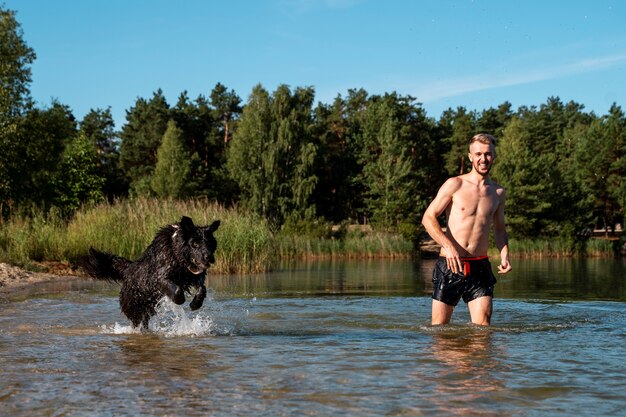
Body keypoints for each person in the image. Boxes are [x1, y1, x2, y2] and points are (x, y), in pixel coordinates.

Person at [421, 133, 511, 326]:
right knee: (440, 330)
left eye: (488, 154)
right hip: (450, 264)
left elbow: (500, 229)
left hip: (480, 267)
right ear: (470, 156)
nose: (483, 159)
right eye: (478, 154)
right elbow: (428, 218)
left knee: (483, 329)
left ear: (494, 156)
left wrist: (505, 254)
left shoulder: (498, 193)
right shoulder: (455, 184)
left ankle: (478, 358)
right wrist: (448, 246)